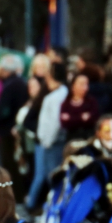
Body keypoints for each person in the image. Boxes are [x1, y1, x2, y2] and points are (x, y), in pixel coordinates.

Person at [26, 61, 68, 211]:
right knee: (43, 174)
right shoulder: (54, 93)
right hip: (45, 139)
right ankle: (35, 203)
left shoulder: (58, 95)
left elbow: (54, 122)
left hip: (50, 141)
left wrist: (47, 140)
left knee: (50, 175)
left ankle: (49, 203)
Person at [0, 54, 30, 182]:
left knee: (11, 163)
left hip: (9, 130)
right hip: (11, 128)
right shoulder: (17, 83)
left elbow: (6, 109)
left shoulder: (13, 84)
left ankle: (15, 193)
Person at [59, 73, 100, 141]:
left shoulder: (91, 101)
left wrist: (71, 118)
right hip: (71, 139)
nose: (85, 87)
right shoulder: (66, 103)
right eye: (81, 84)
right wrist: (82, 118)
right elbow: (64, 123)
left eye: (86, 84)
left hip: (88, 138)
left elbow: (94, 118)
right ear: (73, 86)